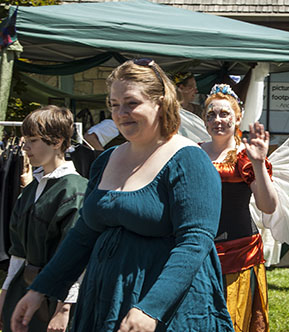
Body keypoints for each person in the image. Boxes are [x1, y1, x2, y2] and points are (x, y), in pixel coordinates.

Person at [10, 59, 234, 332]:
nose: (121, 113)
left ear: (160, 103)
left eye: (131, 103)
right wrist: (40, 289)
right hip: (103, 300)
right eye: (114, 104)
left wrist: (151, 308)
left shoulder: (189, 160)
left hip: (166, 310)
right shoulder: (105, 161)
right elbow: (83, 235)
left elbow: (194, 243)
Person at [0, 106, 88, 332]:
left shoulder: (75, 190)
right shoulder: (30, 190)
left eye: (32, 140)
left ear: (57, 141)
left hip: (54, 298)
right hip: (23, 293)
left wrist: (63, 309)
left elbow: (76, 255)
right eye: (24, 140)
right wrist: (5, 294)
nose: (25, 147)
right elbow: (18, 252)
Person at [200, 84, 278, 332]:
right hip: (200, 249)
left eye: (224, 114)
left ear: (237, 118)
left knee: (234, 321)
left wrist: (258, 165)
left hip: (240, 252)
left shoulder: (246, 156)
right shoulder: (193, 153)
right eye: (211, 115)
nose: (218, 120)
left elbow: (268, 206)